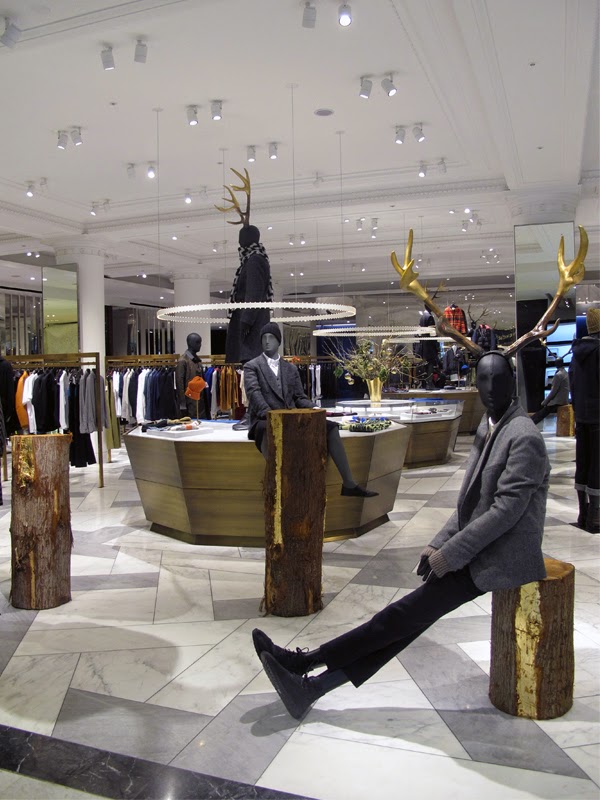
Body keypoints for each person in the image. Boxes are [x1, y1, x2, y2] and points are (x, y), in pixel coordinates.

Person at [253, 350, 550, 719]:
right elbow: (471, 504)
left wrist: (451, 554)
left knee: (400, 617)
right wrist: (439, 542)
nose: (490, 388)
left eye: (498, 379)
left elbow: (504, 512)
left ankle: (306, 665)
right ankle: (312, 685)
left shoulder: (523, 436)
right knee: (406, 622)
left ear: (512, 383)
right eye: (484, 379)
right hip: (481, 546)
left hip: (502, 554)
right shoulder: (490, 427)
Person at [244, 322, 378, 498]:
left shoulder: (290, 368)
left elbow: (299, 397)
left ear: (279, 341)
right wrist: (271, 414)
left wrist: (314, 408)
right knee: (266, 431)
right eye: (264, 338)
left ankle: (349, 483)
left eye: (271, 337)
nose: (267, 341)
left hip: (290, 416)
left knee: (330, 427)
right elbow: (254, 393)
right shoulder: (252, 366)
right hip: (264, 418)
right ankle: (280, 485)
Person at [569, 307, 600, 533]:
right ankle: (596, 516)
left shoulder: (577, 353)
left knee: (583, 463)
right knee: (597, 465)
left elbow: (573, 385)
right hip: (598, 416)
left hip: (582, 416)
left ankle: (583, 512)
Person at [176, 333, 206, 419]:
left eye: (200, 342)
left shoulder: (197, 360)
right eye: (198, 342)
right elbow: (179, 383)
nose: (200, 345)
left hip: (200, 401)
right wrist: (182, 404)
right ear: (190, 343)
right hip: (189, 403)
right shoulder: (183, 361)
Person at [531, 358, 570, 426]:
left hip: (558, 401)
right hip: (564, 399)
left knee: (543, 411)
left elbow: (554, 391)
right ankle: (531, 421)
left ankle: (530, 423)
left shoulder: (558, 375)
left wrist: (545, 401)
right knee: (543, 411)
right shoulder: (565, 373)